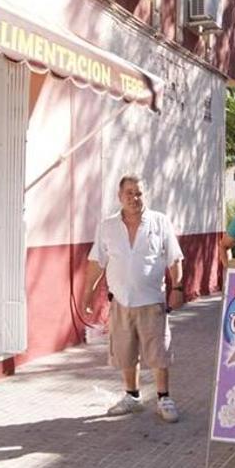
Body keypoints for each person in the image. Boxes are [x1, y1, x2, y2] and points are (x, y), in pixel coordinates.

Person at [82, 175, 184, 423]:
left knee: (159, 351)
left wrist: (178, 288)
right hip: (121, 301)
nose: (133, 198)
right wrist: (87, 293)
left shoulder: (160, 222)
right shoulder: (107, 226)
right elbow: (97, 262)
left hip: (151, 300)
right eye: (128, 193)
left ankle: (163, 398)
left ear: (144, 195)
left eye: (138, 193)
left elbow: (174, 258)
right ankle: (132, 397)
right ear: (120, 196)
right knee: (126, 352)